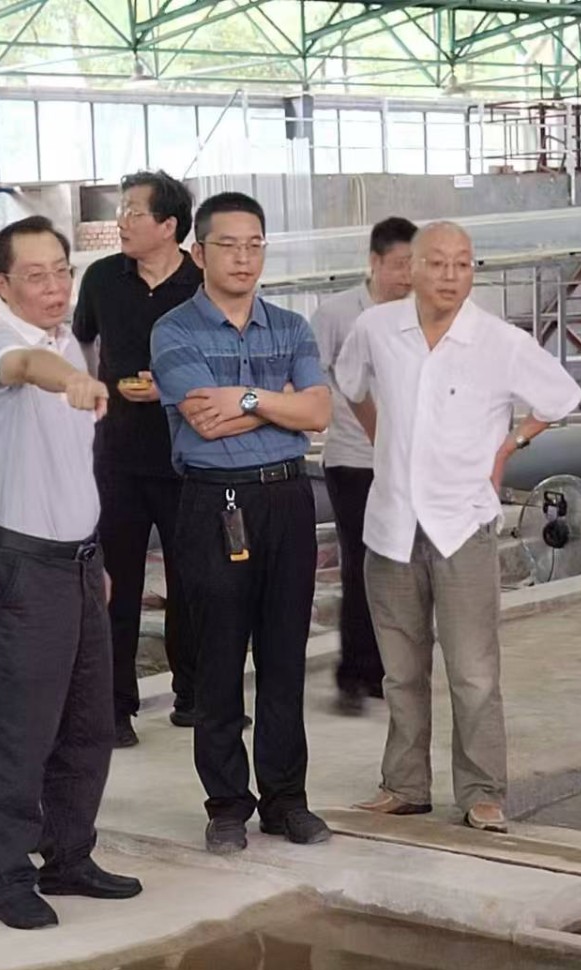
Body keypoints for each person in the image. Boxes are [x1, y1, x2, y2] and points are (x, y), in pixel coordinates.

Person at [335, 221, 581, 832]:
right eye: (437, 263)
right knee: (401, 670)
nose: (450, 276)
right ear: (411, 268)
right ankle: (404, 785)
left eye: (463, 264)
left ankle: (482, 791)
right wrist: (382, 438)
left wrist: (509, 445)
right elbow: (351, 384)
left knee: (473, 671)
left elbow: (561, 395)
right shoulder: (376, 328)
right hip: (392, 523)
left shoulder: (497, 340)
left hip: (463, 523)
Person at [0, 215, 142, 930]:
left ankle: (69, 856)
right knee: (22, 729)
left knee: (88, 724)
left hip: (78, 561)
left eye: (62, 271)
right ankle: (6, 875)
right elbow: (28, 371)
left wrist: (92, 555)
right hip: (21, 566)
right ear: (0, 284)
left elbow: (70, 467)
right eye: (34, 275)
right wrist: (74, 380)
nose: (53, 286)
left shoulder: (68, 339)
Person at [150, 191, 333, 856]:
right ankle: (227, 804)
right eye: (227, 245)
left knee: (285, 656)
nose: (243, 257)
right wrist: (282, 405)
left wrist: (248, 398)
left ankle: (287, 801)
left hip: (287, 499)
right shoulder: (173, 331)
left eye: (254, 244)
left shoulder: (291, 325)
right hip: (215, 502)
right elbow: (205, 420)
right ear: (198, 253)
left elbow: (319, 413)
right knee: (219, 660)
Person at [74, 171, 203, 749]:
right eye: (122, 211)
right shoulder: (103, 278)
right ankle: (114, 706)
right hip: (118, 456)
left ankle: (194, 695)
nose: (121, 222)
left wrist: (170, 389)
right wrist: (95, 393)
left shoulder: (201, 282)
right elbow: (82, 344)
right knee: (116, 586)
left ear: (169, 226)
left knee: (193, 581)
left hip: (186, 455)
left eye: (133, 212)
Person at [311, 216, 417, 717]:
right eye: (399, 265)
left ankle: (386, 671)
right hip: (353, 460)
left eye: (414, 266)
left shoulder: (419, 315)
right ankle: (354, 674)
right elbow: (312, 377)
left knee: (403, 566)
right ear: (374, 262)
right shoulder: (336, 314)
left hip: (409, 462)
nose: (407, 276)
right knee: (361, 564)